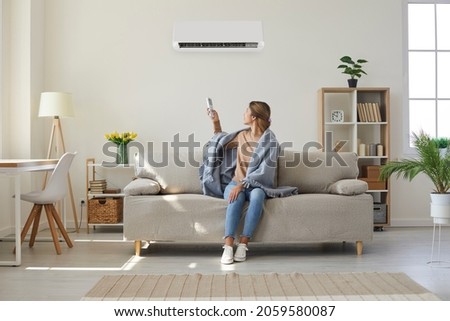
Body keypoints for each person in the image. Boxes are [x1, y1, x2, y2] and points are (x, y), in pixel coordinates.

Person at [201, 101, 297, 264]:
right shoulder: (242, 136)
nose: (243, 114)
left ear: (253, 117)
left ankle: (243, 244)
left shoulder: (271, 142)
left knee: (258, 195)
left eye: (246, 111)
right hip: (234, 183)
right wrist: (215, 122)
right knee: (236, 197)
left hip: (257, 185)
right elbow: (219, 143)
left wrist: (242, 185)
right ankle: (228, 245)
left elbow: (265, 172)